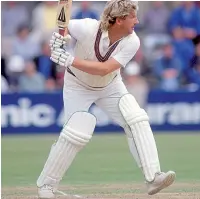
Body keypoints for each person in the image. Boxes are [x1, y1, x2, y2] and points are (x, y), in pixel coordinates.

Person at [37, 0, 175, 198]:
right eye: (133, 17)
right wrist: (60, 39)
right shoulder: (87, 27)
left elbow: (105, 69)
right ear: (119, 20)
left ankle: (153, 178)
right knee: (75, 133)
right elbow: (64, 26)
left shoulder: (132, 41)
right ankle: (46, 186)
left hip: (110, 85)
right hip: (77, 85)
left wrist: (69, 59)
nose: (137, 21)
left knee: (136, 119)